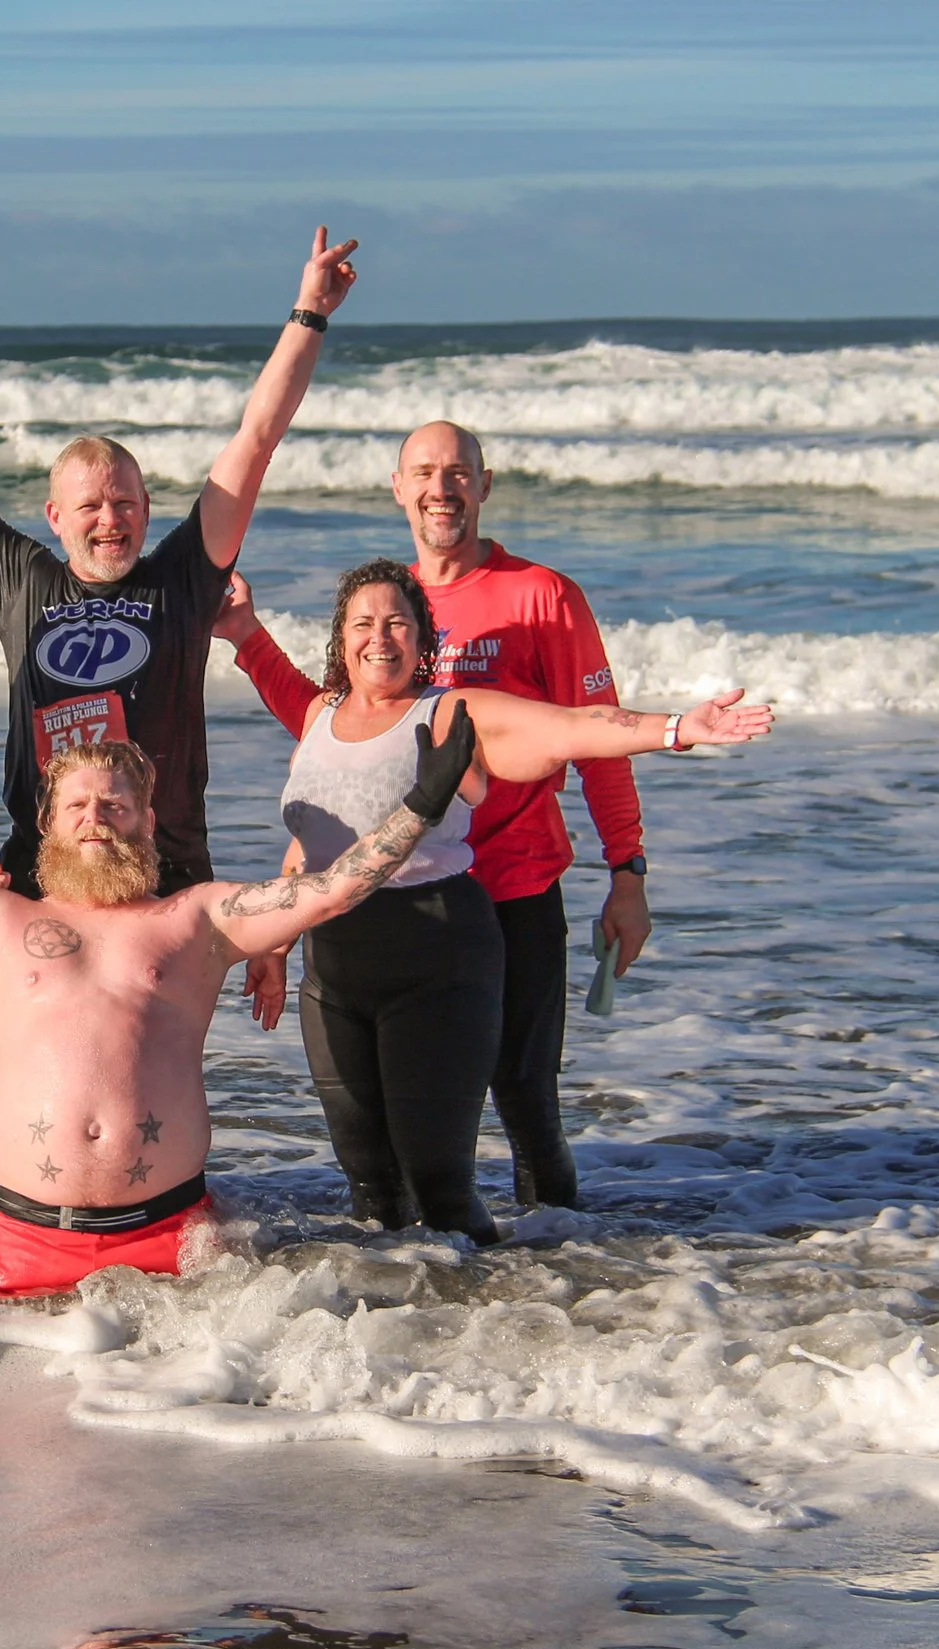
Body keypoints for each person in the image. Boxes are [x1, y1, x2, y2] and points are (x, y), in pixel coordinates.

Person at [0, 672, 478, 1296]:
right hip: (16, 1241)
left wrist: (419, 806)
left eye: (116, 804)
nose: (96, 817)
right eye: (77, 804)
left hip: (175, 1247)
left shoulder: (199, 918)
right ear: (48, 823)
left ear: (147, 822)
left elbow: (330, 890)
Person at [0, 226, 362, 1024]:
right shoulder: (21, 578)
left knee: (156, 1068)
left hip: (165, 873)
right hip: (46, 872)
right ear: (55, 516)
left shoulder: (182, 577)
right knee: (49, 1063)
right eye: (90, 505)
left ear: (148, 510)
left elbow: (256, 439)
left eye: (125, 502)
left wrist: (309, 313)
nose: (110, 519)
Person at [216, 420, 648, 1209]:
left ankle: (565, 1262)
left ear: (484, 485)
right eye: (423, 472)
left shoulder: (543, 597)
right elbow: (331, 728)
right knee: (399, 1132)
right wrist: (246, 637)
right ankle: (423, 1268)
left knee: (525, 1098)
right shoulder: (389, 607)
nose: (440, 488)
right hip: (398, 898)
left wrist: (628, 870)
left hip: (511, 888)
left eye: (456, 472)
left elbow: (595, 736)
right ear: (398, 488)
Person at [270, 560, 770, 1241]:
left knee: (441, 1188)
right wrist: (275, 944)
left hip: (436, 963)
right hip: (333, 974)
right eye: (363, 623)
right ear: (341, 637)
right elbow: (309, 843)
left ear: (424, 640)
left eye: (397, 623)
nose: (379, 638)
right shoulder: (319, 716)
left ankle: (516, 1294)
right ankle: (391, 1306)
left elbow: (575, 726)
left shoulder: (452, 713)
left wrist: (678, 727)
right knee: (369, 1185)